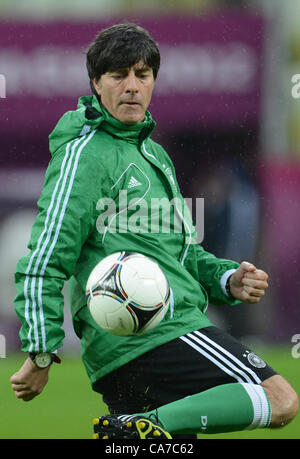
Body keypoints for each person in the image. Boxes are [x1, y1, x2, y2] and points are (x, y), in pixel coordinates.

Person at [11, 23, 298, 440]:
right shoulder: (85, 156)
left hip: (132, 355)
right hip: (157, 334)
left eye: (141, 75)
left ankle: (134, 430)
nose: (131, 86)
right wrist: (40, 351)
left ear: (153, 82)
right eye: (118, 75)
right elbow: (45, 259)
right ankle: (140, 428)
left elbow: (181, 252)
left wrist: (225, 278)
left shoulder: (153, 154)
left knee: (150, 444)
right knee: (278, 398)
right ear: (96, 83)